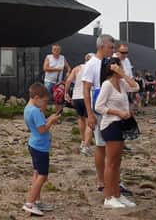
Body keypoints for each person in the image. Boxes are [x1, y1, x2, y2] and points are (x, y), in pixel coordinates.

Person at [83, 34, 132, 196]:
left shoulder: (111, 62)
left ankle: (113, 181)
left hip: (113, 106)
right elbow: (86, 89)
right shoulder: (91, 64)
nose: (114, 51)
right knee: (101, 145)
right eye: (111, 47)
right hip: (101, 107)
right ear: (102, 46)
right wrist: (89, 113)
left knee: (114, 147)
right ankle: (102, 181)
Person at [94, 57, 139, 209]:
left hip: (121, 124)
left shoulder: (122, 83)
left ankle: (117, 193)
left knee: (117, 163)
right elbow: (99, 107)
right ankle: (108, 196)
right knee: (111, 162)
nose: (123, 70)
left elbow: (136, 87)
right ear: (113, 69)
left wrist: (123, 75)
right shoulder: (107, 85)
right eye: (120, 68)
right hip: (111, 124)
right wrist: (117, 112)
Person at [21, 82, 60, 216]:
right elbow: (42, 129)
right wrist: (51, 121)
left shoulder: (28, 108)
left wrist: (48, 119)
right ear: (37, 97)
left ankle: (36, 200)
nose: (44, 104)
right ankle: (29, 203)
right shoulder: (35, 111)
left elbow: (39, 125)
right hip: (40, 147)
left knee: (37, 173)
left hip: (34, 144)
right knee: (42, 176)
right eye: (43, 101)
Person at [65, 53, 94, 156]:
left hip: (76, 97)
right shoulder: (94, 69)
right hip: (88, 97)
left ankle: (83, 141)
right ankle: (86, 146)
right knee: (89, 120)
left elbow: (68, 80)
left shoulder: (77, 68)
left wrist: (66, 93)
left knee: (81, 118)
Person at [43, 44, 68, 110]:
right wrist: (57, 69)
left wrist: (68, 73)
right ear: (52, 50)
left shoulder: (62, 58)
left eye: (58, 49)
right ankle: (42, 114)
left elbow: (68, 67)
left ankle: (57, 116)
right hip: (49, 81)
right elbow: (45, 68)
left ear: (60, 50)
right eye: (54, 49)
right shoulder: (48, 57)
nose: (56, 51)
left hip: (58, 83)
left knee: (58, 99)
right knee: (45, 99)